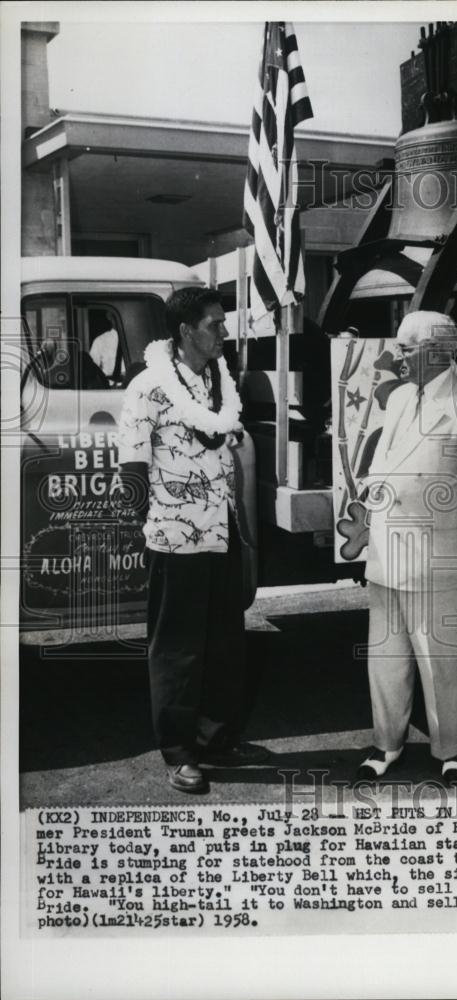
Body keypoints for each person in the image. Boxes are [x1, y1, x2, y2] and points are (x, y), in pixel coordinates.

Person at [118, 286, 270, 793]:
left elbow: (222, 445)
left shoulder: (218, 383)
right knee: (178, 649)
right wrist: (158, 523)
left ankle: (215, 736)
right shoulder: (148, 388)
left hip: (220, 532)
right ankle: (180, 752)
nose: (224, 332)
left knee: (225, 642)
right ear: (186, 331)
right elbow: (133, 468)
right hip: (175, 539)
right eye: (214, 324)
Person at [358, 310, 457, 784]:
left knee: (440, 659)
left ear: (438, 351)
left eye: (407, 348)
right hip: (386, 552)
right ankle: (387, 743)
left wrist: (455, 535)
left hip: (437, 555)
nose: (398, 356)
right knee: (386, 657)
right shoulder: (400, 397)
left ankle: (451, 750)